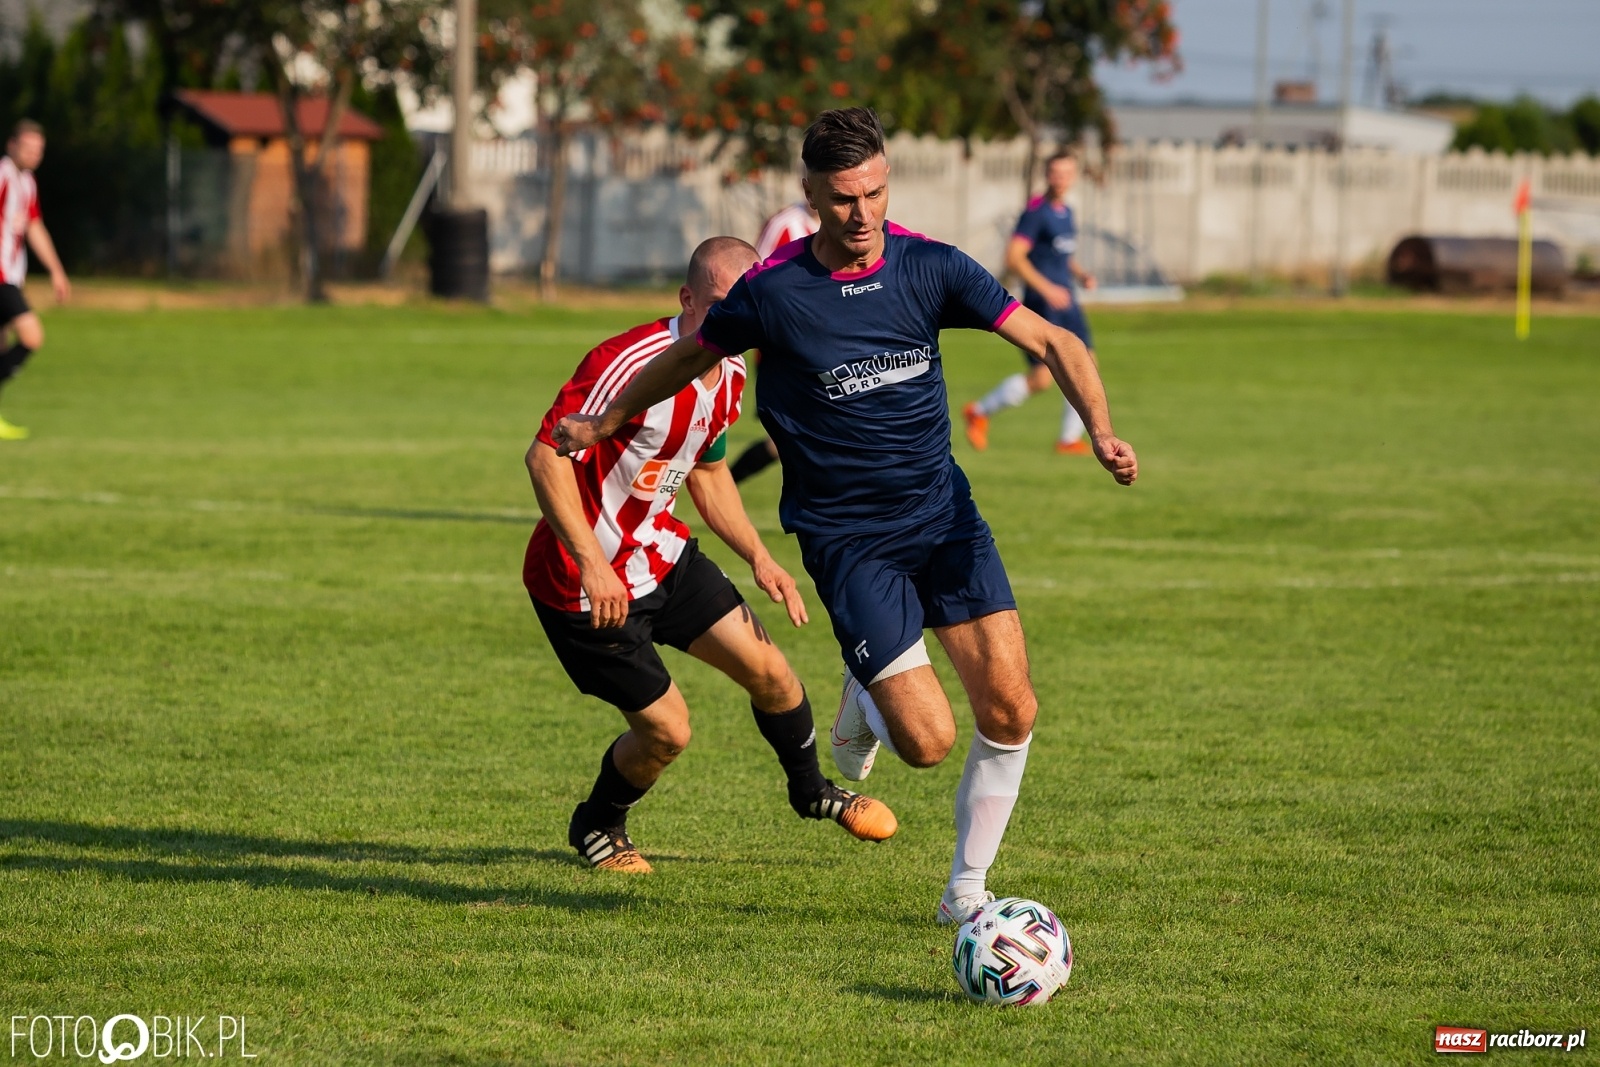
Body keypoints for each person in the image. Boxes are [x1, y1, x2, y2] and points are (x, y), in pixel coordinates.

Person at [550, 109, 1137, 922]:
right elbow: (687, 357)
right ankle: (866, 690)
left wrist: (1101, 429)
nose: (863, 214)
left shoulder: (931, 267)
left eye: (875, 191)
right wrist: (607, 420)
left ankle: (965, 891)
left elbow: (1056, 343)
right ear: (810, 196)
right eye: (842, 198)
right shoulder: (773, 292)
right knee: (927, 744)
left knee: (1013, 707)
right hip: (850, 541)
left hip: (944, 517)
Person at [524, 235, 897, 873]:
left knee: (772, 672)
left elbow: (707, 471)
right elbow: (544, 458)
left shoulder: (730, 370)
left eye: (746, 306)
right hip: (581, 586)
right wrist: (592, 563)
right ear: (687, 298)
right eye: (722, 305)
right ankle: (598, 823)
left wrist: (759, 555)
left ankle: (811, 793)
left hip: (661, 555)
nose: (735, 321)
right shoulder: (631, 361)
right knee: (668, 732)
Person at [963, 151, 1097, 456]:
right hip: (1044, 302)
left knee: (1084, 363)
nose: (1060, 179)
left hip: (1067, 300)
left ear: (1073, 176)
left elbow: (1062, 255)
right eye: (1055, 173)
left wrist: (1080, 274)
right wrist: (1047, 288)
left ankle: (1068, 438)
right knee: (1043, 378)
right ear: (1046, 175)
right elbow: (1014, 257)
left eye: (1066, 173)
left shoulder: (1066, 212)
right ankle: (979, 411)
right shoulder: (1036, 212)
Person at [727, 199, 820, 484]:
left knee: (796, 438)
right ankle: (723, 486)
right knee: (796, 436)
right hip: (785, 349)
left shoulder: (845, 226)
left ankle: (725, 485)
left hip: (825, 347)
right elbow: (753, 281)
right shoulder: (786, 226)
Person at [0, 119, 71, 441]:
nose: (34, 155)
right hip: (0, 276)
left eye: (39, 150)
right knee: (32, 336)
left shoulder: (27, 182)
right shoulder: (1, 175)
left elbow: (34, 226)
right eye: (28, 148)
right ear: (11, 145)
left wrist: (56, 269)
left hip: (12, 274)